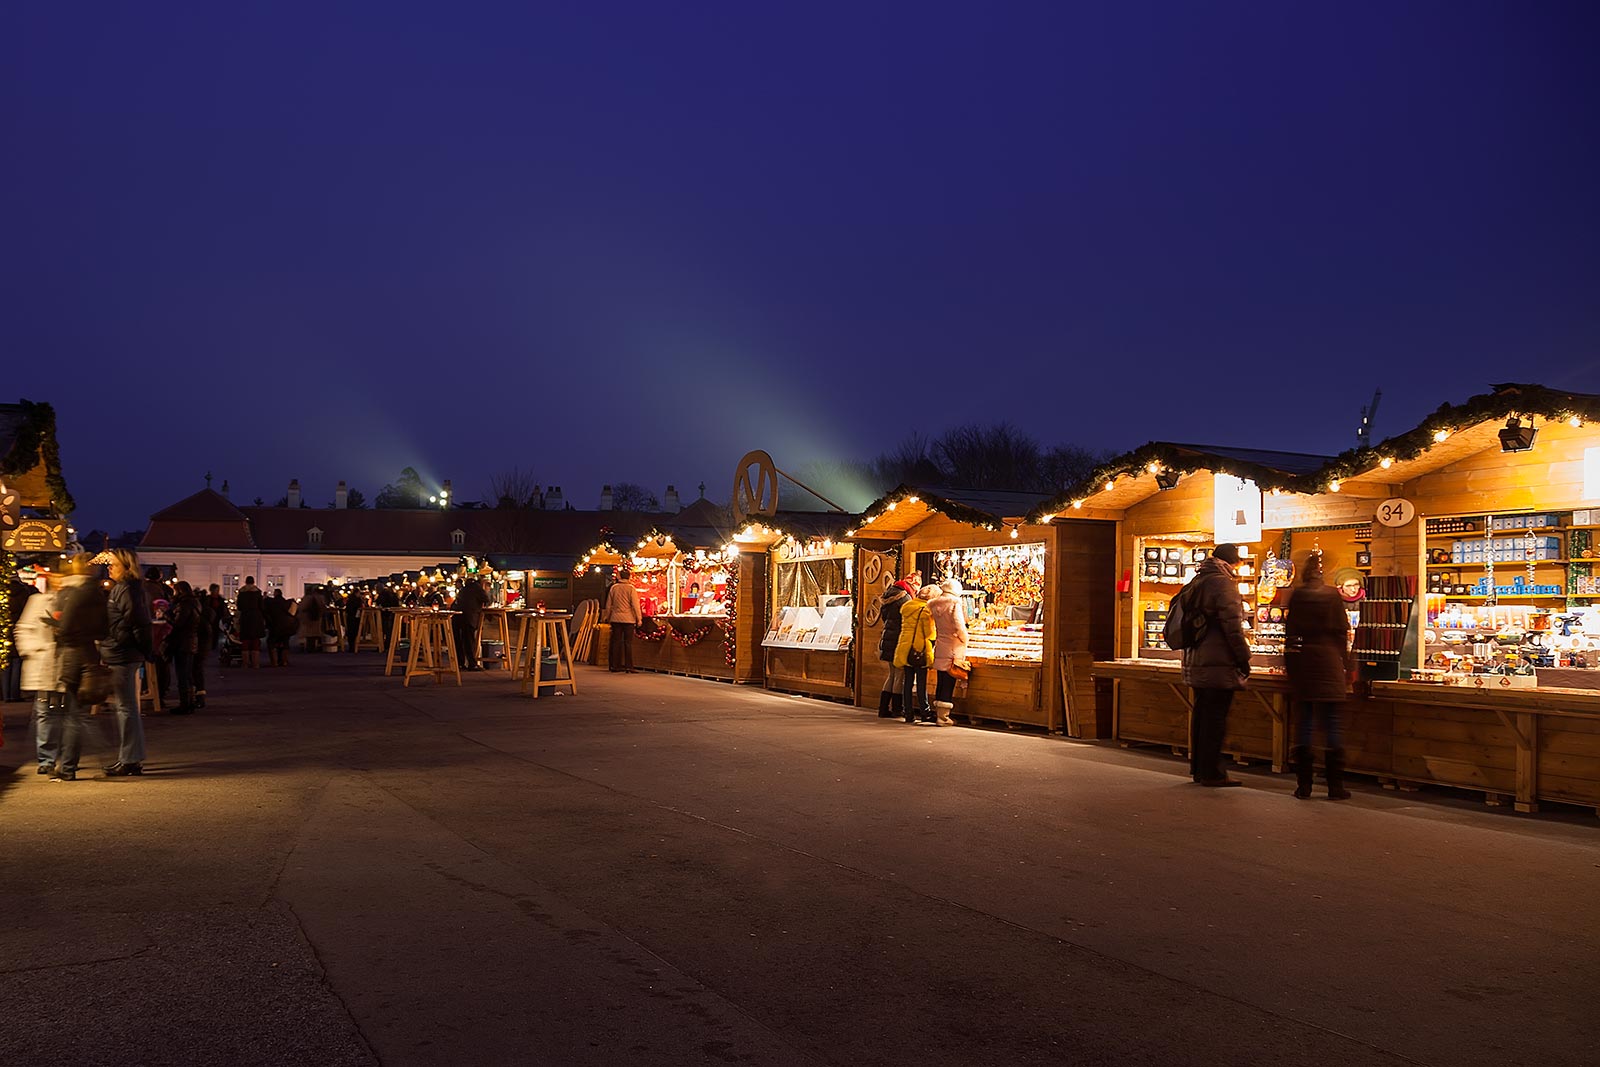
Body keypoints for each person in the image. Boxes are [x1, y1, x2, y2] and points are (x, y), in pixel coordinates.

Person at [1180, 544, 1252, 787]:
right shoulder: (1222, 584)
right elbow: (1232, 626)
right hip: (1218, 662)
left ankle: (1199, 769)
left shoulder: (1197, 581)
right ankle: (1213, 773)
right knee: (1215, 718)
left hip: (1198, 659)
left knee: (1202, 715)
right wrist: (1243, 657)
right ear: (1232, 562)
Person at [1285, 552, 1354, 800]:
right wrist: (1347, 667)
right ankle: (1335, 787)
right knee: (1332, 724)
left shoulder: (1298, 596)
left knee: (1303, 724)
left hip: (1303, 664)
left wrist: (1291, 666)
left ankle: (1303, 786)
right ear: (1322, 573)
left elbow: (1291, 635)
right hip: (1330, 663)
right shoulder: (1331, 596)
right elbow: (1342, 632)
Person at [49, 555, 108, 782]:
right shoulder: (97, 595)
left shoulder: (78, 594)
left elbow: (65, 628)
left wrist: (57, 629)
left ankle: (67, 766)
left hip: (74, 656)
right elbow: (104, 630)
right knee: (78, 713)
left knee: (72, 715)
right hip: (91, 656)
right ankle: (69, 763)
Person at [101, 548, 153, 777]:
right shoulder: (126, 589)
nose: (109, 568)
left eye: (113, 564)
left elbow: (138, 624)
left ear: (126, 566)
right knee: (126, 707)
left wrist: (142, 648)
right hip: (122, 651)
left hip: (122, 653)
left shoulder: (125, 590)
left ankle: (130, 759)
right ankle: (131, 757)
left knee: (126, 708)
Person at [17, 569, 65, 774]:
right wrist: (34, 648)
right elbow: (24, 628)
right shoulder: (37, 601)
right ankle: (46, 758)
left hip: (64, 664)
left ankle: (65, 755)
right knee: (44, 712)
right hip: (43, 663)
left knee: (64, 712)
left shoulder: (71, 601)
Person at [874, 572, 919, 719]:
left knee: (892, 674)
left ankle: (883, 708)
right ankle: (897, 709)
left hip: (887, 638)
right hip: (898, 640)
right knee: (899, 675)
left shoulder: (888, 595)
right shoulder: (905, 598)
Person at [929, 578, 970, 728]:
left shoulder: (934, 604)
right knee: (949, 681)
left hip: (941, 645)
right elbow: (959, 625)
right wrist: (965, 639)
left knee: (941, 680)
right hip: (953, 647)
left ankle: (938, 714)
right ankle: (943, 718)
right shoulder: (954, 603)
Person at [894, 584, 938, 724]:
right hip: (919, 649)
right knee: (921, 683)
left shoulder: (907, 607)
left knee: (907, 682)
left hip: (905, 647)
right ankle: (925, 712)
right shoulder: (925, 610)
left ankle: (908, 713)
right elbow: (930, 633)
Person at [165, 580, 201, 714]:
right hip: (190, 641)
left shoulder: (185, 604)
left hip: (183, 643)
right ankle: (190, 702)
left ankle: (185, 704)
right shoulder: (195, 602)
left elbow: (178, 623)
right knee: (187, 674)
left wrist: (167, 615)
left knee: (182, 675)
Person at [3, 571, 37, 702]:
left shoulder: (3, 592)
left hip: (5, 630)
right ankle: (15, 694)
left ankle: (6, 695)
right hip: (19, 629)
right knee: (17, 663)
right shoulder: (24, 593)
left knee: (6, 664)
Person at [602, 566, 643, 673]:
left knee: (616, 642)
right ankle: (629, 666)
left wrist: (607, 616)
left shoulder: (614, 588)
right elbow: (635, 605)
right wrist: (639, 619)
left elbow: (609, 604)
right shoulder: (631, 589)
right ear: (629, 577)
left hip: (615, 618)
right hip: (628, 619)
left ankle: (615, 665)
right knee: (628, 643)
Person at [453, 576, 489, 670]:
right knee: (469, 641)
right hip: (469, 617)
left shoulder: (464, 589)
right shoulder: (477, 588)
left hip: (457, 617)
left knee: (459, 641)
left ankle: (460, 664)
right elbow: (486, 599)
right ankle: (472, 664)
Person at [236, 576, 266, 669]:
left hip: (245, 617)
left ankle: (245, 663)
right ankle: (255, 663)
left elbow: (239, 606)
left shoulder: (242, 593)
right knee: (255, 640)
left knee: (245, 640)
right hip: (256, 617)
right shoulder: (257, 593)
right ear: (253, 582)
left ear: (245, 582)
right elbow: (261, 606)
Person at [264, 588, 296, 667]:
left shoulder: (271, 603)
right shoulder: (287, 602)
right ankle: (284, 661)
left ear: (275, 594)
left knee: (271, 642)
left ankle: (274, 662)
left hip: (275, 626)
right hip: (287, 626)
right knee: (285, 643)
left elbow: (265, 611)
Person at [297, 584, 328, 653]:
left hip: (307, 618)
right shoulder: (320, 598)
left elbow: (301, 608)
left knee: (309, 634)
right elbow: (323, 607)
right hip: (317, 618)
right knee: (315, 633)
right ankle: (317, 647)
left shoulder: (306, 598)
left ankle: (308, 648)